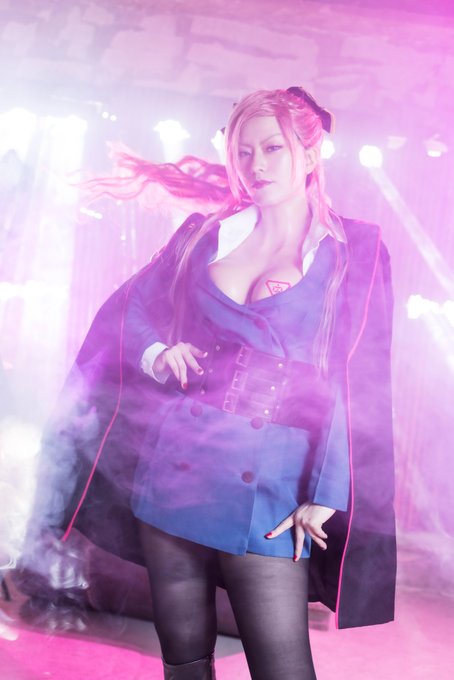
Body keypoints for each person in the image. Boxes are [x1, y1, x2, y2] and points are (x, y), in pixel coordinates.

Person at [28, 87, 396, 680]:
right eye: (243, 151)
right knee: (185, 663)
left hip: (272, 488)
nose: (255, 165)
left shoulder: (354, 253)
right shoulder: (207, 233)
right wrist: (157, 353)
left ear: (310, 153)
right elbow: (127, 310)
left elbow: (357, 378)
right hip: (173, 468)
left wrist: (327, 492)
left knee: (283, 672)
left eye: (273, 148)